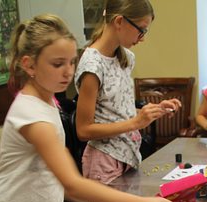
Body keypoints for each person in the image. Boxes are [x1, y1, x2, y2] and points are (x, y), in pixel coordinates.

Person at [0, 14, 179, 202]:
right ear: (29, 65)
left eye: (72, 62)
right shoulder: (30, 113)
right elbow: (72, 185)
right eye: (58, 64)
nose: (68, 72)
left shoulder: (47, 100)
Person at [74, 0, 181, 183]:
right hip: (104, 161)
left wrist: (154, 111)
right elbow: (83, 130)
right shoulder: (92, 65)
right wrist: (135, 123)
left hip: (128, 157)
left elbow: (117, 114)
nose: (142, 38)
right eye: (141, 30)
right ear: (119, 22)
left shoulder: (125, 58)